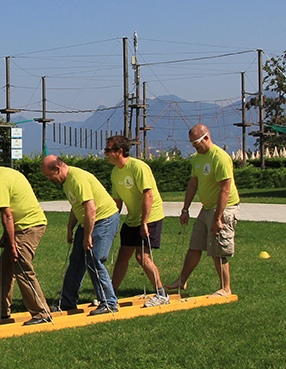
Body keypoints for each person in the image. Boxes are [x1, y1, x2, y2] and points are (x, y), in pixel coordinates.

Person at [0, 152, 53, 326]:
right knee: (5, 267)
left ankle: (41, 312)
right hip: (23, 226)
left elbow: (7, 216)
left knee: (21, 266)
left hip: (30, 226)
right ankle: (0, 312)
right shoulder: (3, 174)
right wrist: (7, 236)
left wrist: (12, 245)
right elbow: (12, 211)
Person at [40, 155, 120, 315]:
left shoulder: (77, 179)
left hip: (104, 219)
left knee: (94, 259)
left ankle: (109, 302)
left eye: (49, 175)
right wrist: (70, 227)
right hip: (89, 222)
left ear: (58, 169)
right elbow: (77, 205)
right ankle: (68, 302)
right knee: (76, 261)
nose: (49, 179)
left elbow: (91, 209)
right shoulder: (66, 181)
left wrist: (87, 236)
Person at [169, 124, 240, 298]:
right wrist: (185, 209)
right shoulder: (198, 158)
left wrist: (218, 218)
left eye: (196, 143)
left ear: (206, 137)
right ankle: (182, 280)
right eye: (192, 143)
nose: (195, 146)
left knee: (218, 249)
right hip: (206, 208)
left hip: (223, 209)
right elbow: (193, 184)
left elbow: (225, 189)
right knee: (195, 246)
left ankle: (225, 288)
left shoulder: (220, 158)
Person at [104, 135, 171, 307]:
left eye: (108, 150)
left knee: (142, 257)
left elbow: (148, 195)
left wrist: (144, 222)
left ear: (119, 151)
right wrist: (111, 221)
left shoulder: (138, 167)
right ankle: (111, 295)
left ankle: (161, 294)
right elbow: (117, 202)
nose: (105, 153)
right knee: (123, 255)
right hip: (132, 218)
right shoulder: (115, 172)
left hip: (150, 217)